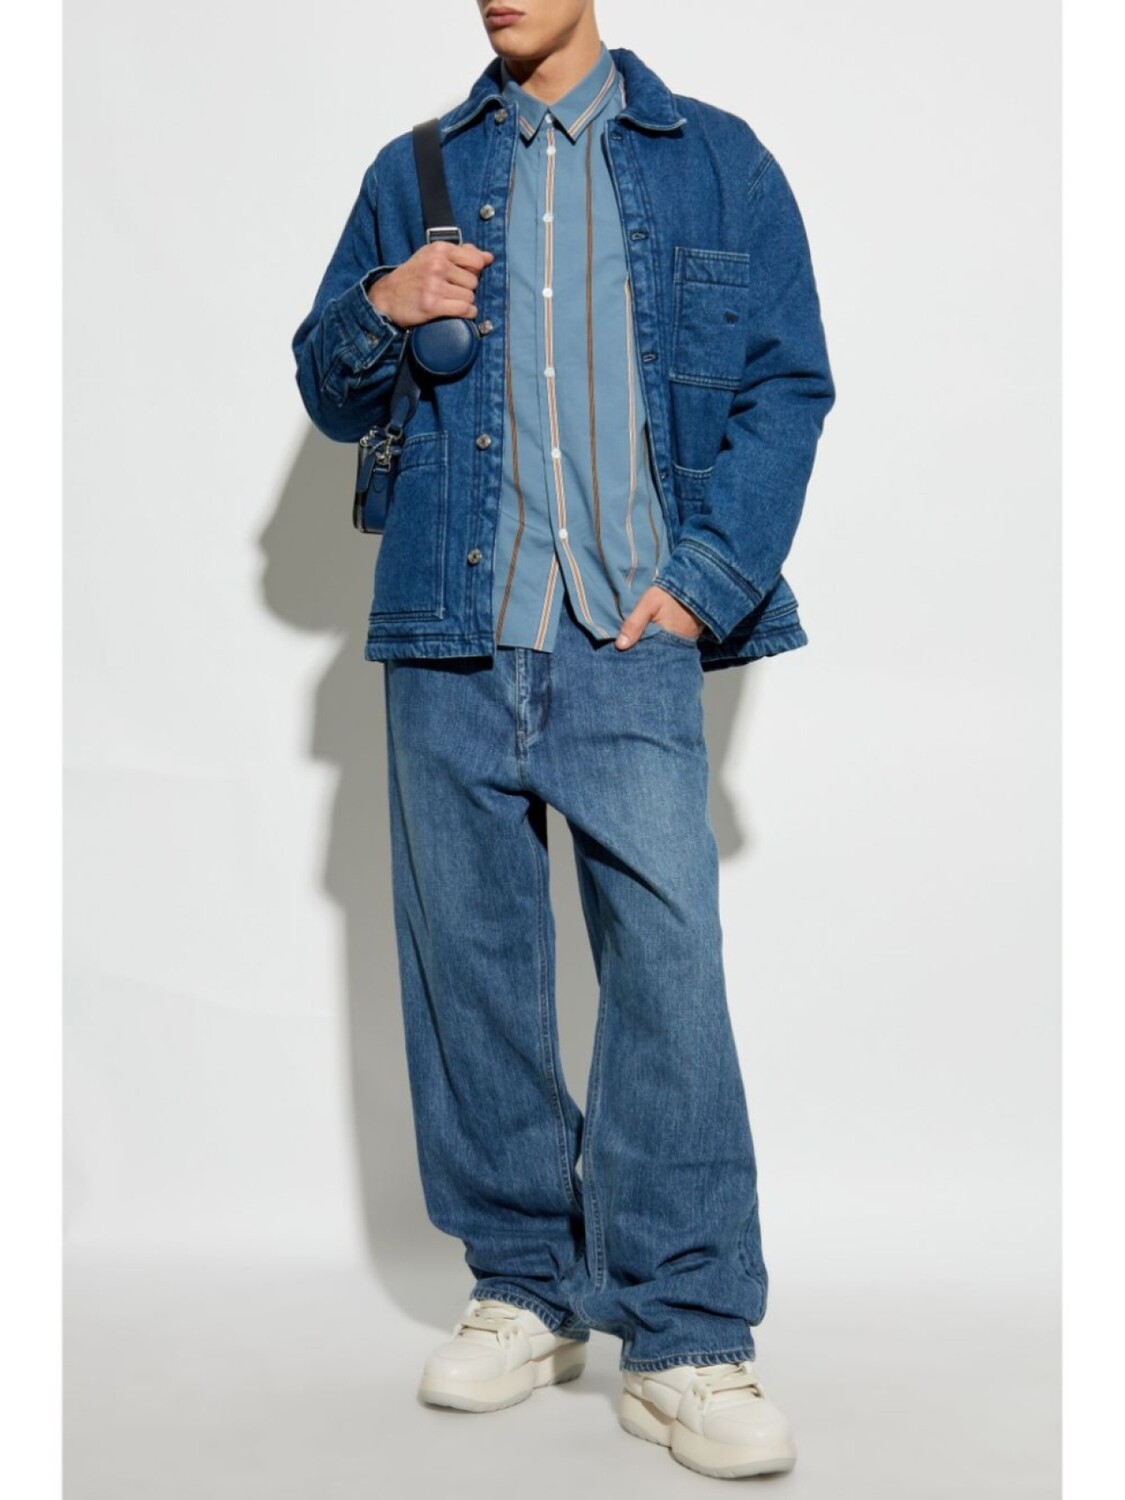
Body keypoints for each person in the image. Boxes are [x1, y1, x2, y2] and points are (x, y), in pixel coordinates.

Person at [292, 0, 834, 1480]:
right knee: (470, 972)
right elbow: (328, 392)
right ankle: (523, 1287)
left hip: (626, 637)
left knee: (666, 970)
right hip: (447, 632)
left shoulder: (717, 163)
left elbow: (787, 385)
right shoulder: (414, 168)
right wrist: (381, 304)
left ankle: (689, 1332)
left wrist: (701, 585)